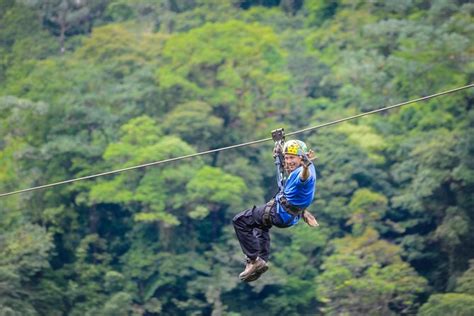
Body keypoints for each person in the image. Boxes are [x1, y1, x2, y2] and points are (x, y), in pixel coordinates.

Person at [232, 139, 318, 282]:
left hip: (280, 213)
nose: (288, 161)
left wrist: (305, 167)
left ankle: (253, 260)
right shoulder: (303, 166)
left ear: (301, 158)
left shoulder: (304, 174)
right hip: (288, 216)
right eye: (287, 158)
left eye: (292, 158)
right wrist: (280, 152)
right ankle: (261, 261)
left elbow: (304, 177)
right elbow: (290, 167)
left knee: (240, 220)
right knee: (260, 225)